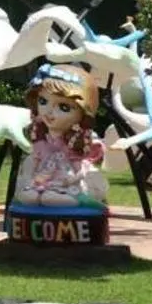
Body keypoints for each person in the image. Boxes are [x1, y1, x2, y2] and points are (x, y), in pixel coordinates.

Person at [14, 64, 108, 208]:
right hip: (42, 178)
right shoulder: (41, 139)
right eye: (43, 101)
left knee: (54, 197)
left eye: (64, 107)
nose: (49, 112)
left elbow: (79, 170)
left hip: (68, 179)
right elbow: (34, 162)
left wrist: (69, 181)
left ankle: (71, 199)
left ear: (83, 113)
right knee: (29, 195)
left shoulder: (75, 141)